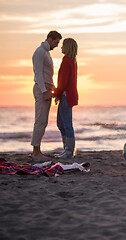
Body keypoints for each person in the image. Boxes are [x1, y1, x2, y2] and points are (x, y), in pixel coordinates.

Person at [31, 30, 62, 160]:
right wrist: (44, 92)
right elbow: (38, 74)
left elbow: (48, 74)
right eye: (56, 42)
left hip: (47, 89)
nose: (57, 45)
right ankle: (35, 152)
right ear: (49, 39)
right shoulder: (39, 52)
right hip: (41, 89)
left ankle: (38, 150)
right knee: (40, 120)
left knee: (43, 121)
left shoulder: (46, 53)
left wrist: (53, 89)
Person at [53, 38, 79, 158]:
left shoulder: (67, 61)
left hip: (66, 96)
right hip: (67, 95)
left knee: (67, 124)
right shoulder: (72, 61)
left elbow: (63, 81)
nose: (61, 47)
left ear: (67, 47)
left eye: (63, 45)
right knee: (60, 123)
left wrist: (56, 94)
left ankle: (69, 151)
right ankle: (66, 150)